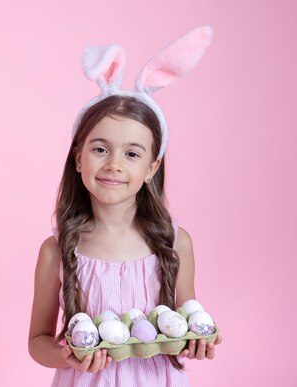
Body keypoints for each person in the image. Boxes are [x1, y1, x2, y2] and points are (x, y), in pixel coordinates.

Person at [28, 27, 222, 386]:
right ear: (78, 158)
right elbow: (38, 341)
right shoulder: (57, 250)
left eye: (132, 153)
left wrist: (194, 341)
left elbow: (184, 320)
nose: (114, 164)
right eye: (100, 149)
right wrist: (66, 355)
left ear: (151, 168)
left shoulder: (175, 244)